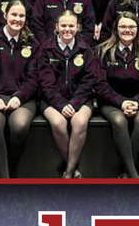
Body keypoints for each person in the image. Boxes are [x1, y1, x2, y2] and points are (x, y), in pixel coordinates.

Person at [0, 0, 40, 178]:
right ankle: (5, 181)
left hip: (23, 98)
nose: (17, 19)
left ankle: (4, 172)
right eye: (14, 14)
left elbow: (33, 78)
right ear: (5, 16)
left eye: (21, 16)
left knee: (19, 125)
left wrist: (19, 96)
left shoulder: (32, 43)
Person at [94, 12, 139, 178]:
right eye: (123, 26)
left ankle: (127, 174)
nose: (127, 30)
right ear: (116, 29)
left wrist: (136, 102)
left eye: (131, 27)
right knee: (119, 120)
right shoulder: (103, 51)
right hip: (111, 101)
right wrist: (121, 102)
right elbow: (100, 85)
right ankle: (134, 176)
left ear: (137, 29)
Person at [38, 11, 96, 179]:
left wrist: (74, 104)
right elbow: (46, 83)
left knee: (80, 121)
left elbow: (89, 81)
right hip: (51, 100)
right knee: (58, 122)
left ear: (77, 27)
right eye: (63, 25)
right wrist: (62, 105)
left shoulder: (86, 50)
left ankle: (69, 173)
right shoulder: (46, 49)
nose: (67, 29)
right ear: (56, 27)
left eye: (71, 25)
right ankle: (75, 171)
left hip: (80, 100)